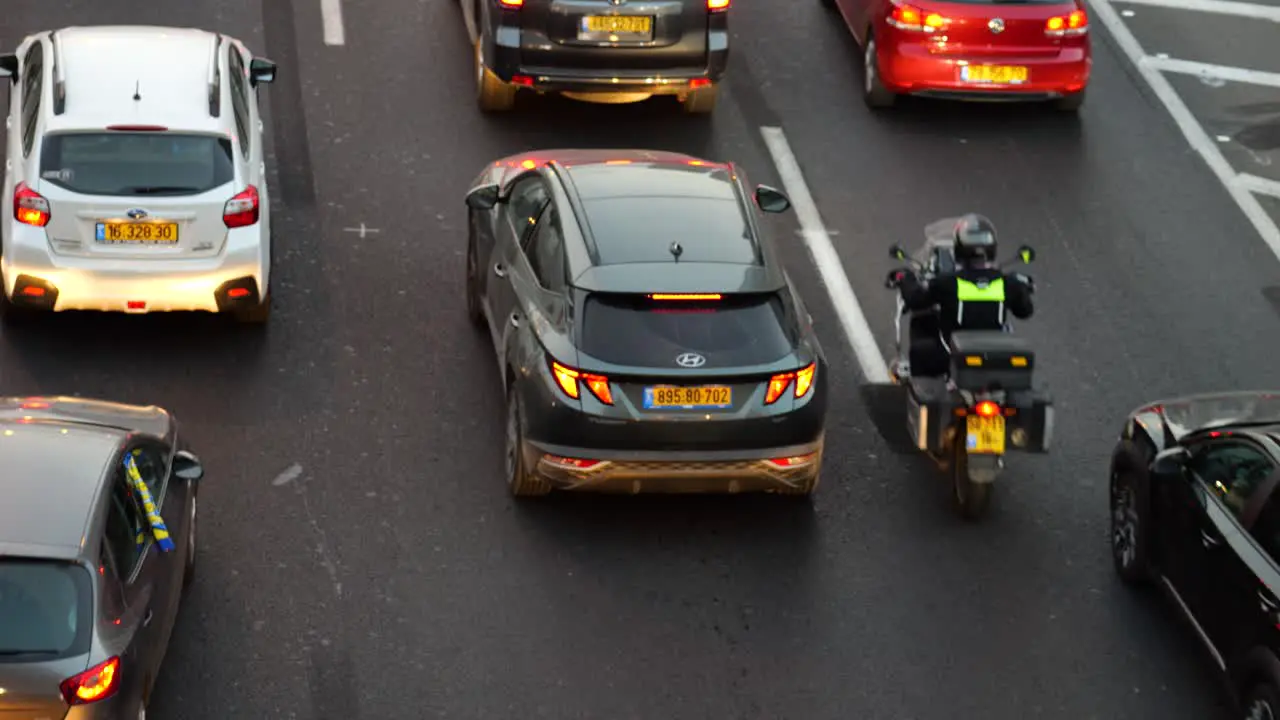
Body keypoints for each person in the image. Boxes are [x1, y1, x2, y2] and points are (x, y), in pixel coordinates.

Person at [892, 213, 1035, 380]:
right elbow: (1025, 312)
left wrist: (904, 278)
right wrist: (1022, 290)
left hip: (951, 357)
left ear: (959, 249)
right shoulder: (1008, 283)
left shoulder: (947, 283)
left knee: (918, 351)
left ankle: (922, 401)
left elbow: (915, 300)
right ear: (992, 249)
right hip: (995, 357)